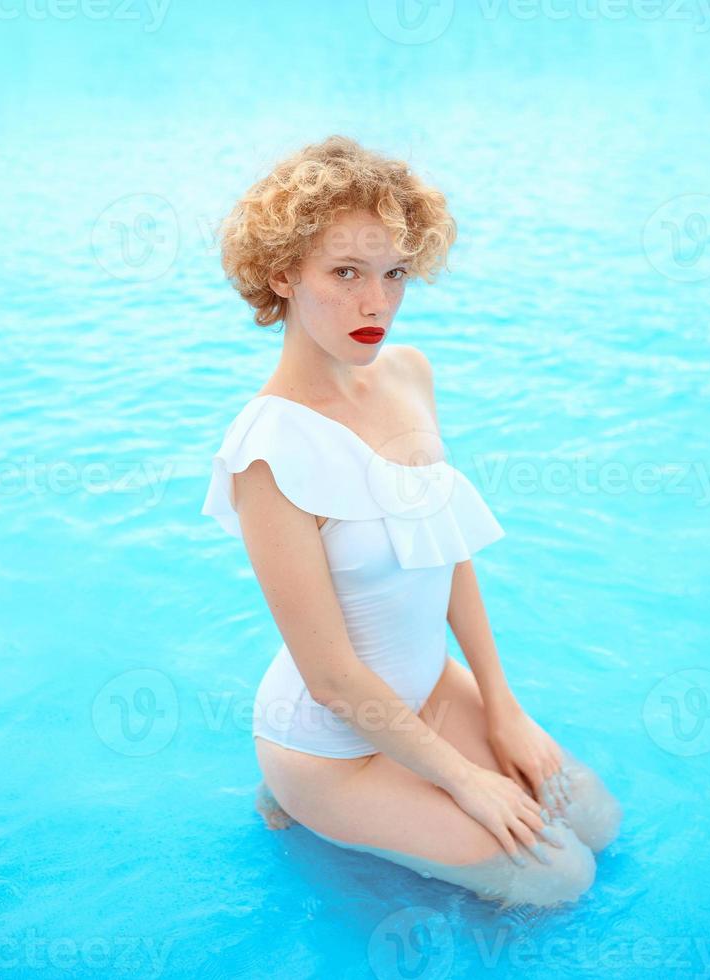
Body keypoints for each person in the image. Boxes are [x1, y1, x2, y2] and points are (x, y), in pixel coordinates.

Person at [201, 135, 622, 909]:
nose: (378, 304)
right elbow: (331, 680)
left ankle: (413, 780)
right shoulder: (267, 455)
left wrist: (505, 708)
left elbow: (445, 543)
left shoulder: (408, 374)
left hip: (425, 689)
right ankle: (294, 798)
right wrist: (467, 782)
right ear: (282, 274)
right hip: (330, 744)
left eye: (395, 273)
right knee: (561, 880)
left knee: (595, 819)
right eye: (346, 273)